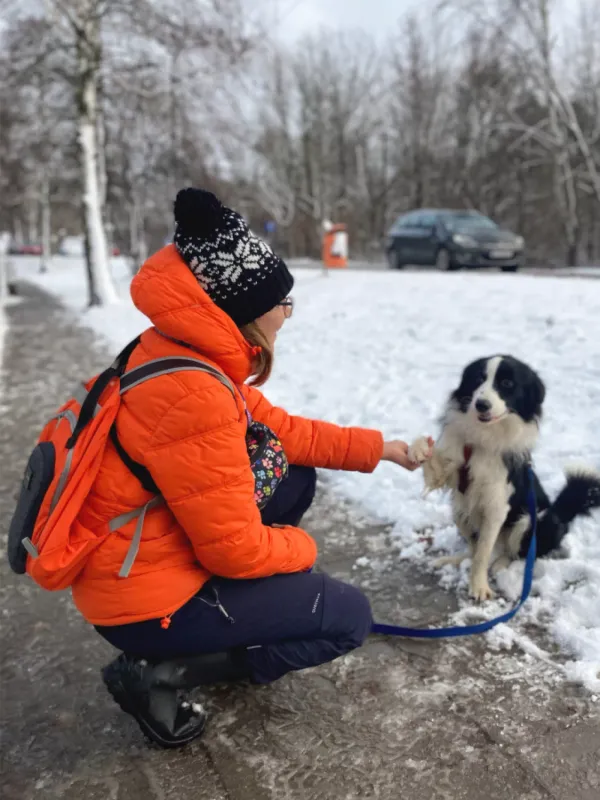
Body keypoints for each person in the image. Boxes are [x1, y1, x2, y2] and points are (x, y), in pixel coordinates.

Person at [76, 188, 428, 748]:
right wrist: (299, 554)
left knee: (293, 475)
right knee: (347, 618)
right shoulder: (195, 393)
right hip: (142, 600)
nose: (287, 313)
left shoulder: (181, 351)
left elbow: (283, 433)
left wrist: (379, 448)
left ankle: (224, 621)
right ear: (245, 310)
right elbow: (234, 551)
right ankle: (157, 672)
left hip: (133, 558)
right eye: (282, 302)